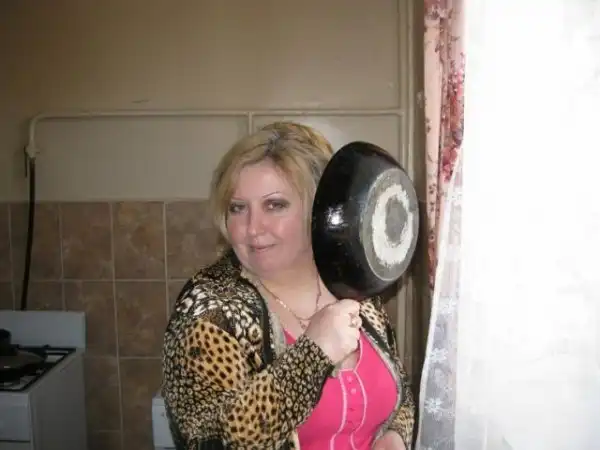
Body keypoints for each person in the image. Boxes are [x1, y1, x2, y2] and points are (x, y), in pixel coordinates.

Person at [161, 121, 415, 450]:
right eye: (238, 208)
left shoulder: (351, 281)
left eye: (275, 205)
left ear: (317, 209)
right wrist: (312, 355)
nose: (253, 228)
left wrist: (394, 436)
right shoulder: (208, 308)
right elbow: (208, 440)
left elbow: (399, 393)